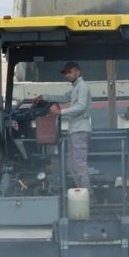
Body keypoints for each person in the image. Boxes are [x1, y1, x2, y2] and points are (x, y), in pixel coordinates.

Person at [43, 61, 92, 189]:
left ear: (78, 72)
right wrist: (44, 97)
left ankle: (86, 194)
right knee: (72, 164)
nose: (67, 75)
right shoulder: (76, 87)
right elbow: (63, 97)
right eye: (66, 73)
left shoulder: (82, 86)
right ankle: (81, 191)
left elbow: (80, 106)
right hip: (75, 129)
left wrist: (60, 112)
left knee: (79, 164)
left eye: (70, 72)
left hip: (80, 128)